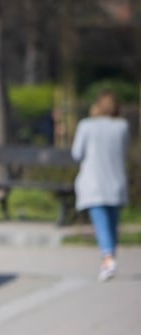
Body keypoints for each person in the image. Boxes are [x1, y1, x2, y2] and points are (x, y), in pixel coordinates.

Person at [71, 90, 130, 281]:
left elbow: (76, 154)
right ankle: (109, 258)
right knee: (112, 224)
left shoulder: (86, 126)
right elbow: (125, 150)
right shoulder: (122, 126)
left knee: (102, 223)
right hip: (116, 180)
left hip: (94, 181)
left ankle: (108, 258)